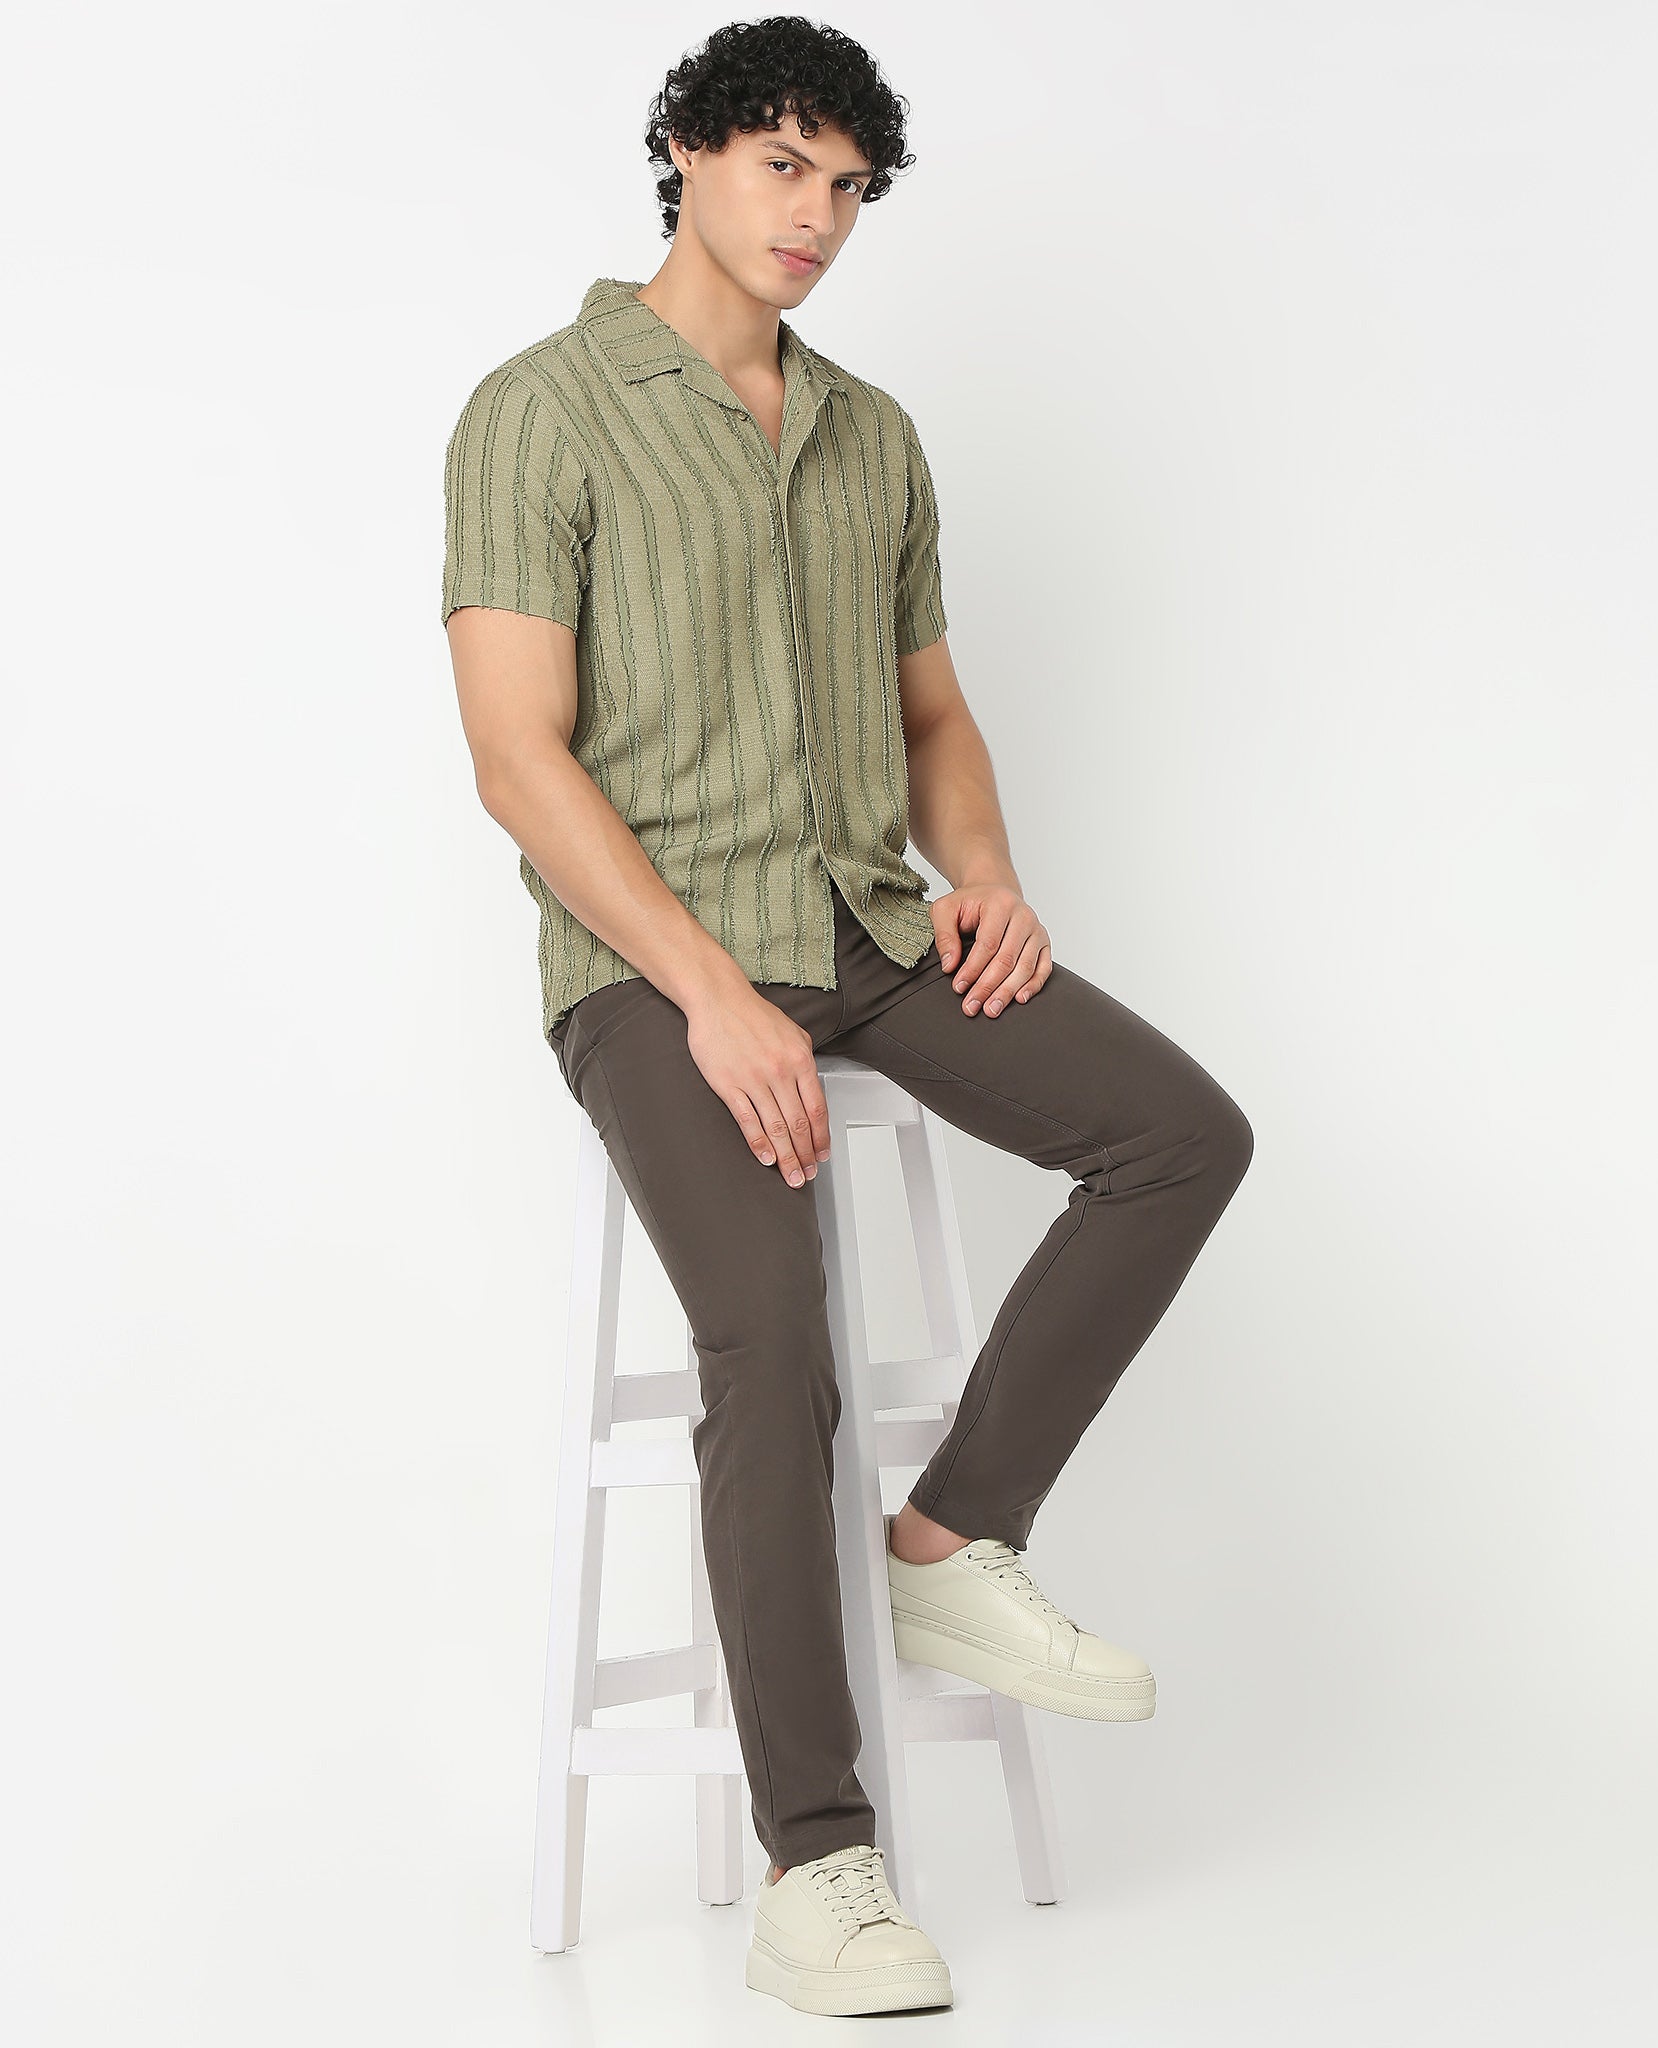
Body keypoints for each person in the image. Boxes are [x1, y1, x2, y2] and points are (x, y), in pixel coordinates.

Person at [440, 15, 1252, 2017]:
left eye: (849, 187)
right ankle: (819, 1866)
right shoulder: (539, 411)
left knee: (1178, 1136)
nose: (816, 214)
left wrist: (984, 869)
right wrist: (711, 995)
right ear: (687, 151)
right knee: (773, 1334)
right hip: (656, 962)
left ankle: (954, 1537)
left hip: (867, 928)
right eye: (783, 165)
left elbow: (931, 715)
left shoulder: (871, 433)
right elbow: (519, 758)